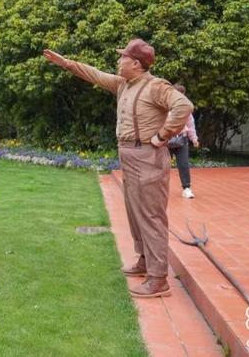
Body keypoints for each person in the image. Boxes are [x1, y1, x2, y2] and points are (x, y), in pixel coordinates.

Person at [43, 39, 193, 298]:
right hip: (129, 154)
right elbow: (95, 74)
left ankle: (158, 279)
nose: (118, 61)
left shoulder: (155, 86)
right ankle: (145, 260)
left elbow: (184, 106)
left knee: (151, 215)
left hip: (148, 155)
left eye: (123, 57)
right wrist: (66, 63)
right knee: (135, 212)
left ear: (136, 63)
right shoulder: (124, 84)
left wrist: (162, 135)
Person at [168, 84, 199, 199]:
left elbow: (191, 125)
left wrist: (194, 139)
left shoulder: (187, 110)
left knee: (184, 164)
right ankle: (159, 189)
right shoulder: (164, 107)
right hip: (166, 141)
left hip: (182, 140)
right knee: (163, 166)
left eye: (182, 95)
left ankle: (187, 189)